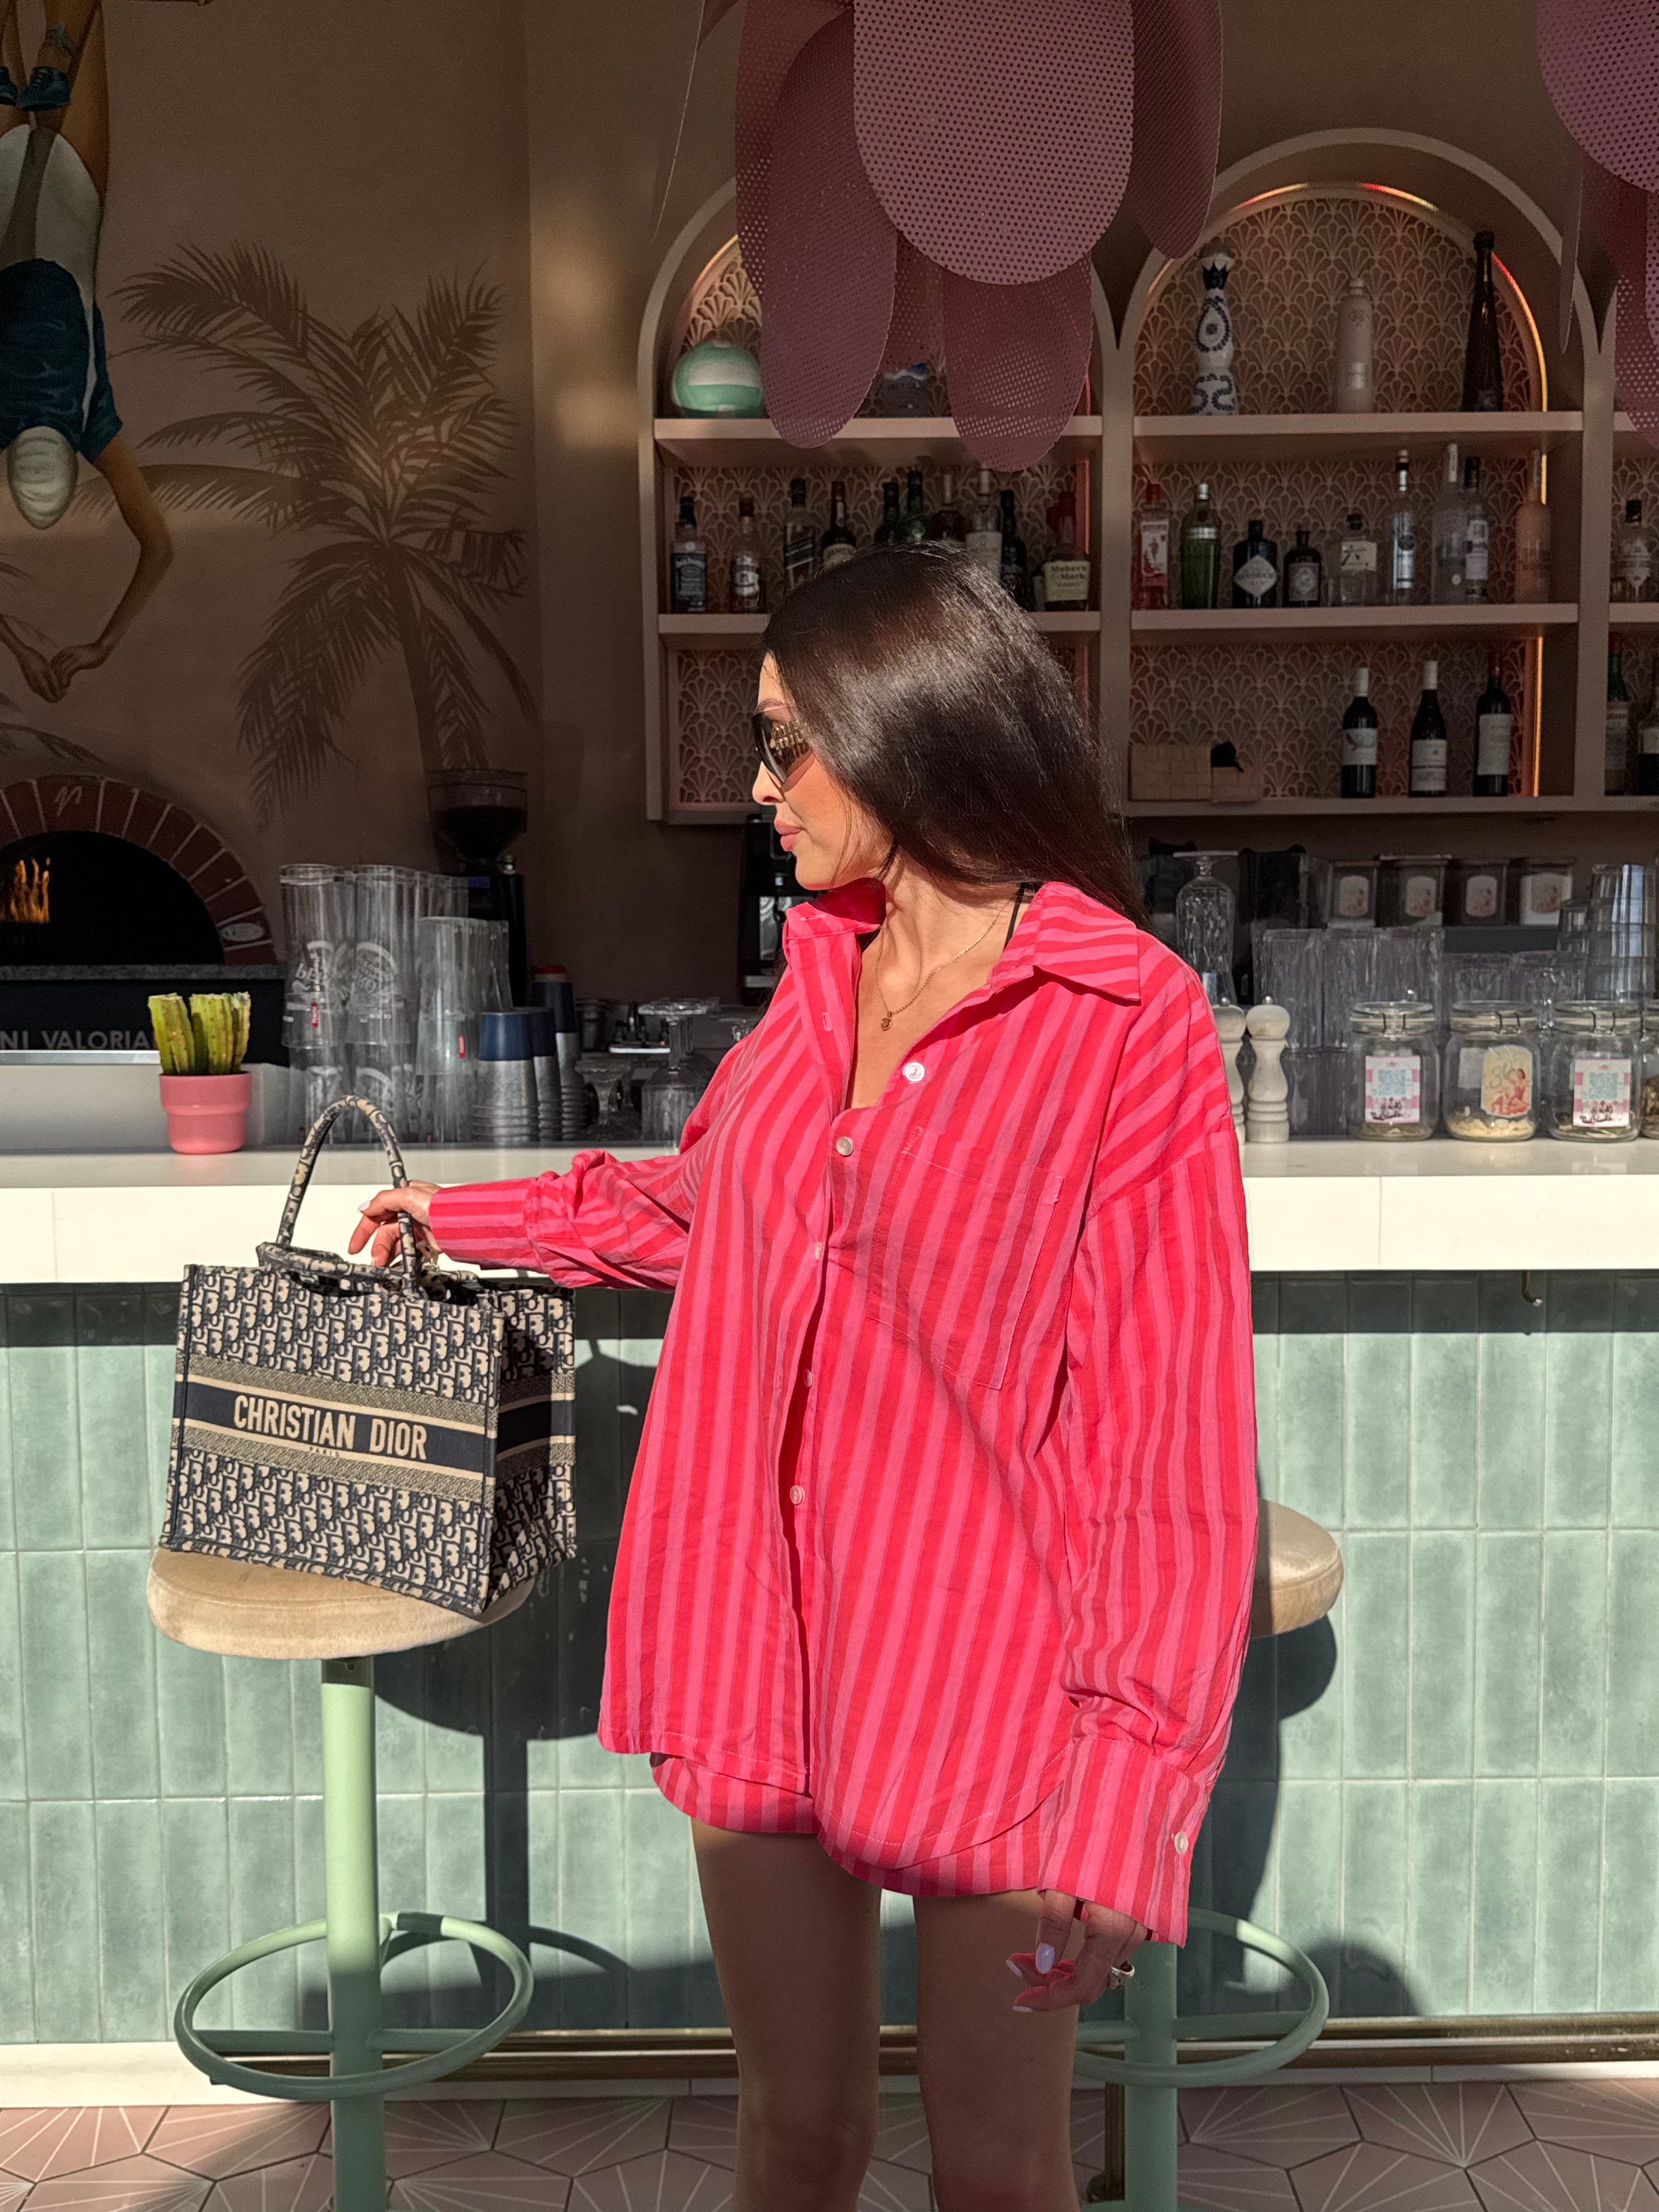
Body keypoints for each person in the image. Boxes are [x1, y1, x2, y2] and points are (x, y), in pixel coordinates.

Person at [354, 548, 1257, 2212]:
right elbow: (713, 1207)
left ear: (905, 731)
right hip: (757, 1638)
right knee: (792, 2139)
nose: (760, 789)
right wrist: (465, 1220)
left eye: (786, 745)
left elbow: (1172, 1451)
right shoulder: (819, 971)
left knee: (999, 2170)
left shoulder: (1128, 1021)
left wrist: (1131, 1800)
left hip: (986, 1670)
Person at [0, 0, 172, 702]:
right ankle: (45, 58)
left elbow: (159, 548)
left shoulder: (92, 423)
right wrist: (17, 646)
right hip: (4, 198)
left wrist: (105, 643)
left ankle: (58, 51)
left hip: (73, 201)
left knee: (80, 19)